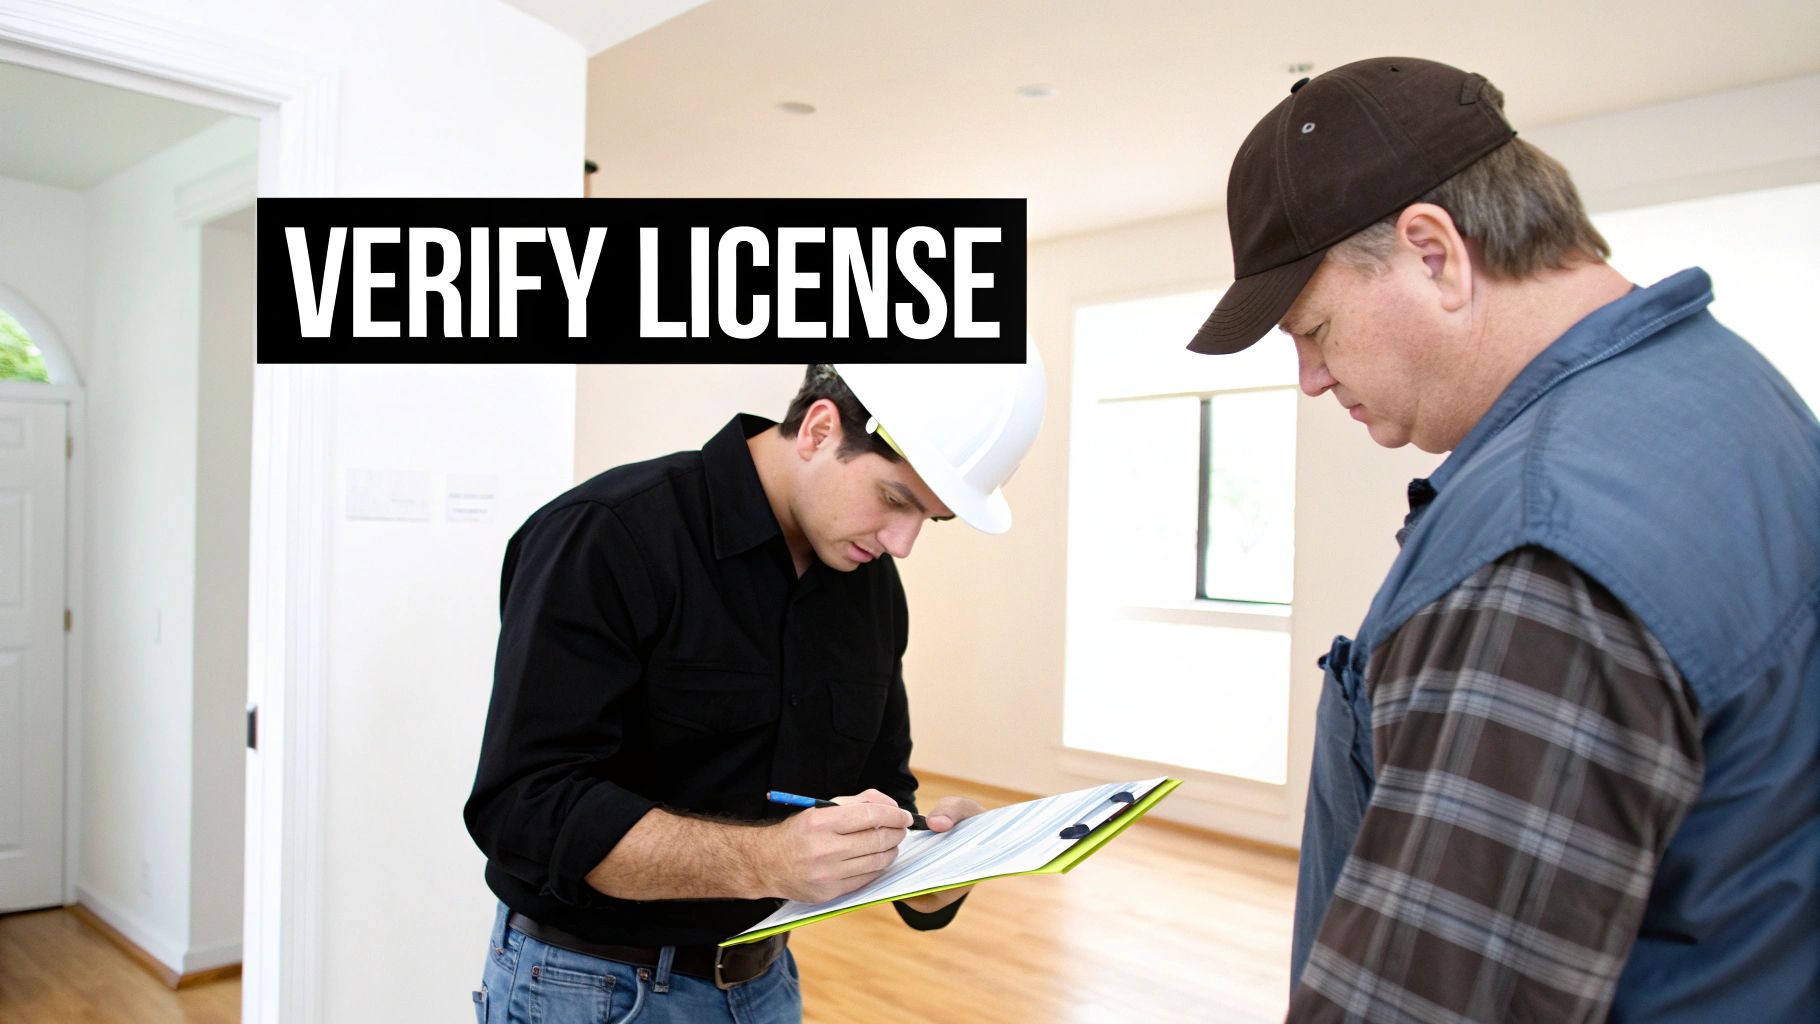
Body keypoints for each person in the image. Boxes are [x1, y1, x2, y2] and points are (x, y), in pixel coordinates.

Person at [1190, 57, 1818, 1021]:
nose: (1311, 379)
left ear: (1434, 252)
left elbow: (1434, 997)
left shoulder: (1540, 542)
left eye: (1313, 328)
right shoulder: (1737, 395)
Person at [464, 350, 1046, 1023]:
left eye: (931, 520)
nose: (903, 543)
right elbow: (525, 808)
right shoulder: (608, 533)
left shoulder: (870, 587)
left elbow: (882, 787)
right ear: (820, 429)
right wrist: (765, 861)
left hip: (765, 983)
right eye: (895, 499)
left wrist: (934, 864)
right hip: (588, 991)